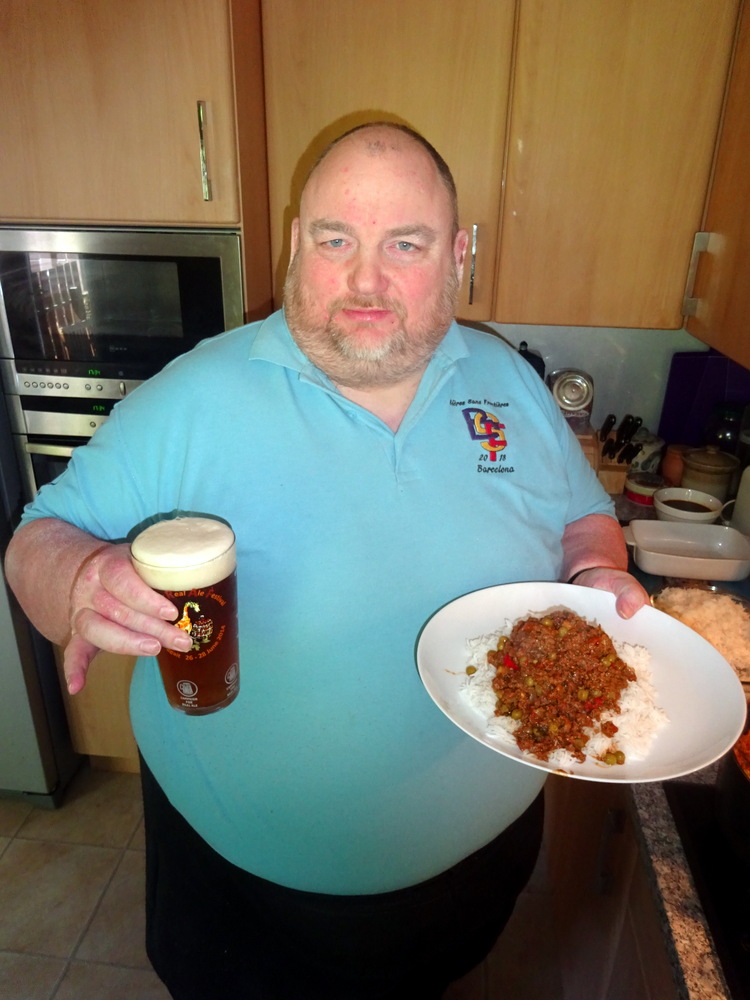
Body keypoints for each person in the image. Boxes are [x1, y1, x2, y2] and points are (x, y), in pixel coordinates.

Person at [4, 122, 648, 999]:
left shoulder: (508, 381)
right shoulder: (193, 397)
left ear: (458, 255)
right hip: (246, 899)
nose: (365, 280)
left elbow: (583, 515)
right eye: (335, 240)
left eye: (405, 244)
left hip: (476, 868)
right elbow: (36, 539)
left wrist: (593, 574)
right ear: (294, 243)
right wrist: (81, 580)